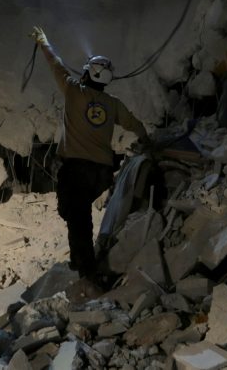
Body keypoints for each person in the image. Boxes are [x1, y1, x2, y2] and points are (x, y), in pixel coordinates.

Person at [30, 26, 150, 283]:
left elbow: (56, 64)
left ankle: (86, 272)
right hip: (101, 173)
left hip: (77, 170)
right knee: (76, 213)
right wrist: (147, 142)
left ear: (88, 73)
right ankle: (85, 260)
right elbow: (135, 126)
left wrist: (43, 41)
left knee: (76, 217)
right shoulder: (113, 104)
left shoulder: (74, 91)